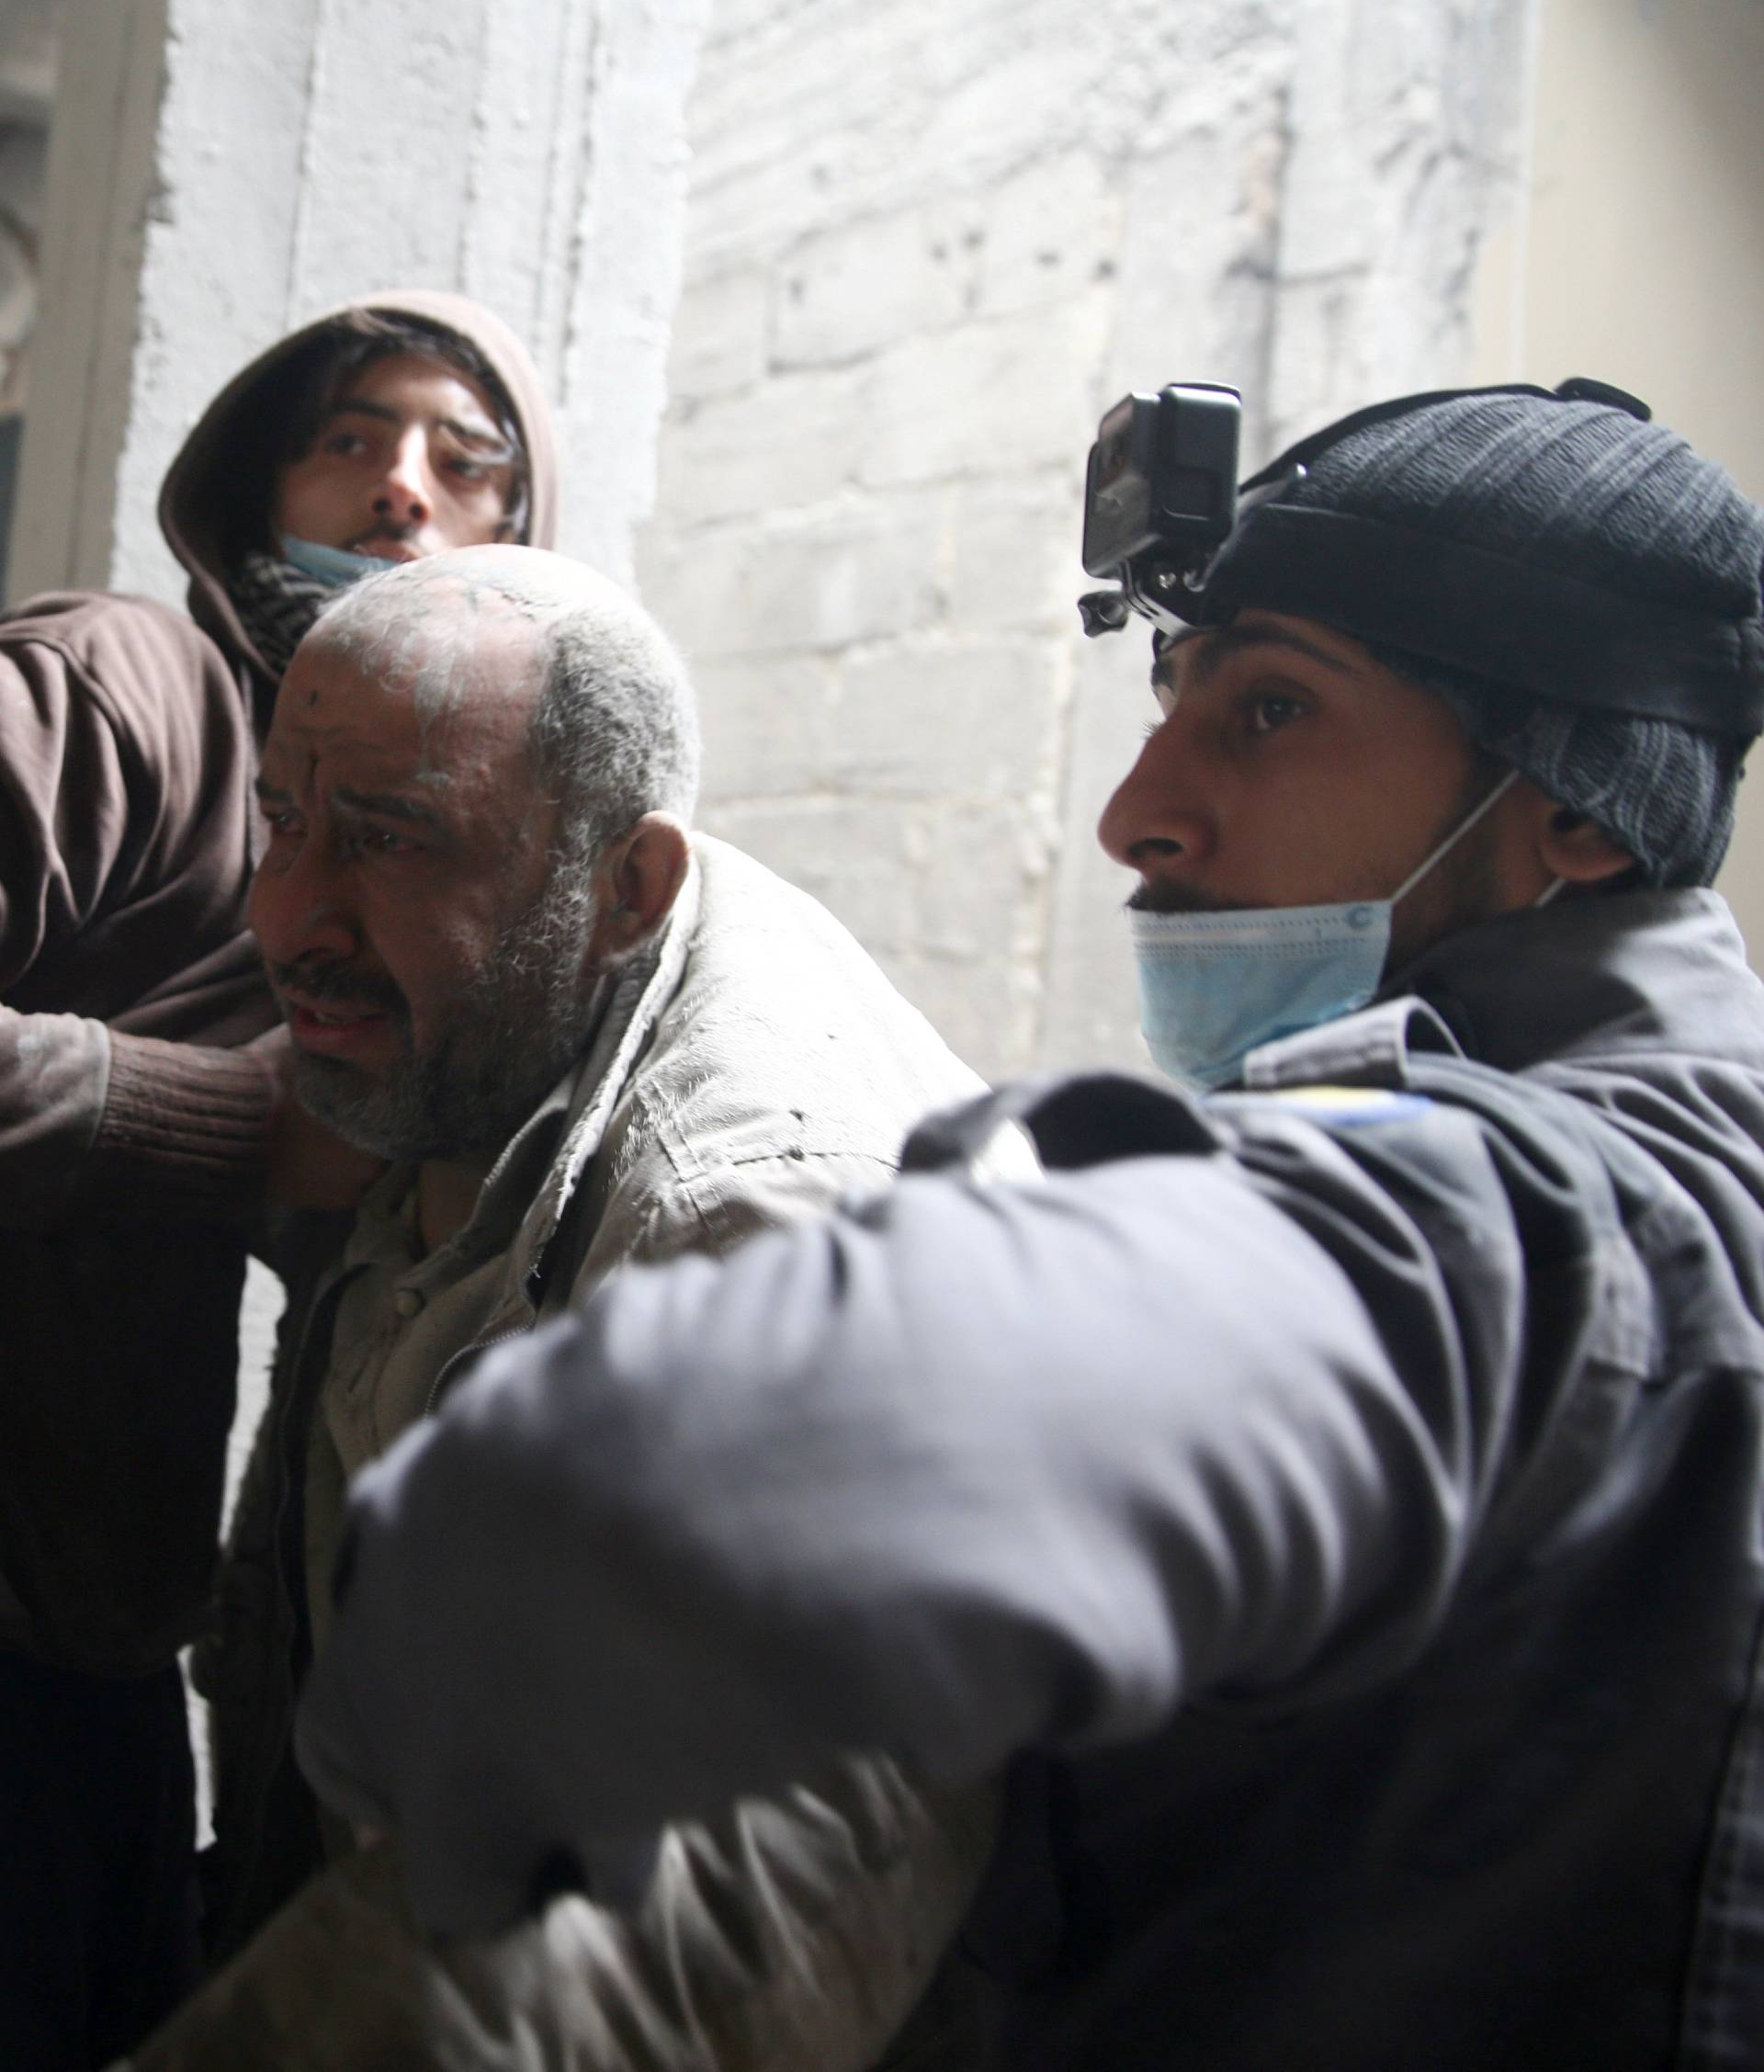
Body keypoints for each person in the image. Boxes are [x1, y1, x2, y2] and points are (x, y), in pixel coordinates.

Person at [298, 381, 1764, 2066]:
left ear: (1579, 804)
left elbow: (1335, 1272)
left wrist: (570, 1493)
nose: (1138, 809)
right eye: (1172, 697)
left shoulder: (1593, 1210)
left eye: (1270, 710)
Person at [130, 544, 997, 2069]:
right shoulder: (505, 1005)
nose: (286, 915)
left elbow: (715, 1930)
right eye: (281, 817)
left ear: (627, 884)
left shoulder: (748, 1227)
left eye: (390, 839)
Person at [0, 289, 549, 2071]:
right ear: (252, 506)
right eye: (352, 441)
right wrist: (227, 1126)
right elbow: (266, 1138)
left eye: (468, 465)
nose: (407, 490)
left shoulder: (427, 855)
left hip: (98, 1629)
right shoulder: (120, 686)